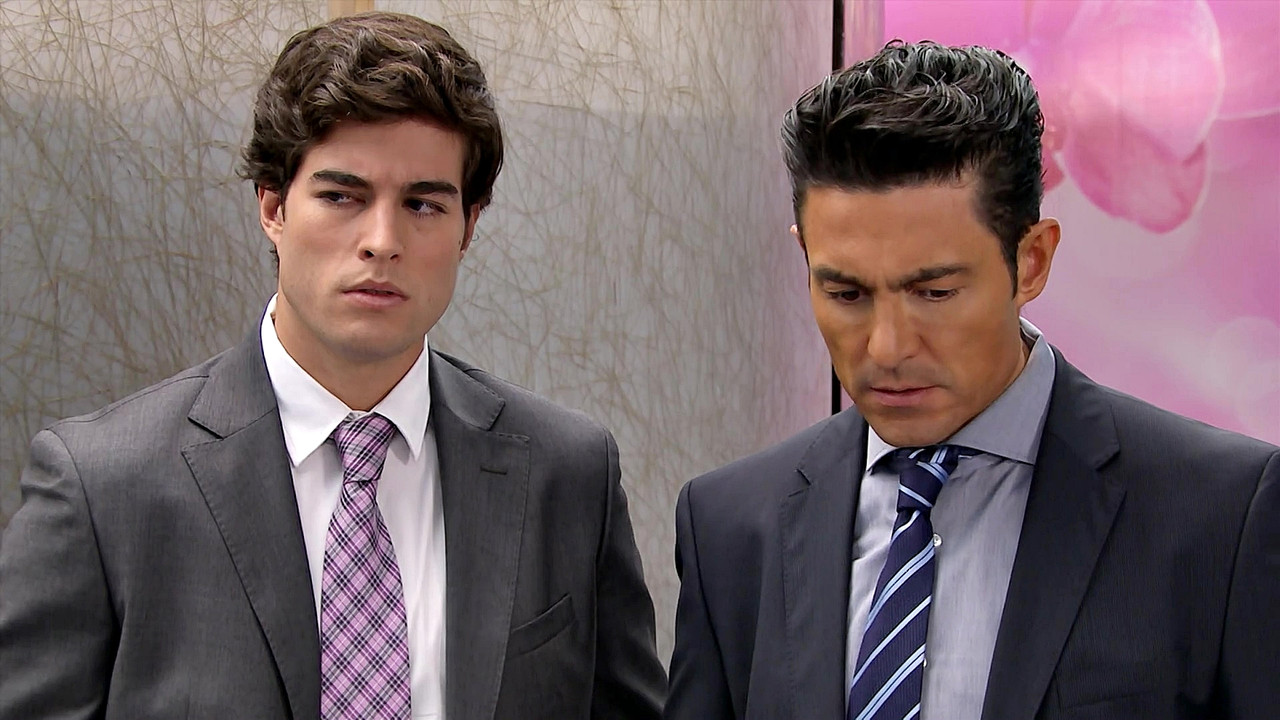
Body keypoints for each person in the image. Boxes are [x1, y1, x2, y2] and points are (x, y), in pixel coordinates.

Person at [0, 12, 664, 720]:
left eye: (423, 204)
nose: (382, 240)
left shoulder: (567, 475)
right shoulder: (104, 488)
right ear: (273, 206)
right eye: (342, 196)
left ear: (469, 226)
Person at [664, 41, 1278, 720]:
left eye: (934, 293)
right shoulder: (729, 528)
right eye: (846, 294)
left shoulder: (1222, 518)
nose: (887, 348)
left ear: (1032, 260)